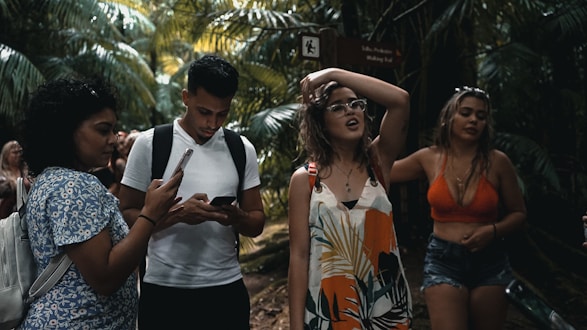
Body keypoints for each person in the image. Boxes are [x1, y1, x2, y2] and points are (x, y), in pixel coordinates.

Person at [18, 78, 183, 329]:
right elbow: (105, 276)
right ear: (66, 130)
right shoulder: (74, 187)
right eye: (103, 130)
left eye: (114, 131)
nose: (114, 140)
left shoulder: (52, 179)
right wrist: (150, 213)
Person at [118, 54, 265, 329]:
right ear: (186, 98)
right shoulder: (151, 144)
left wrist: (235, 216)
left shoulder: (241, 148)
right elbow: (125, 215)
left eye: (222, 113)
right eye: (204, 112)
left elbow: (256, 221)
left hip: (226, 289)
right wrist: (177, 214)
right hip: (164, 291)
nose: (213, 123)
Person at [389, 86, 527, 330]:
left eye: (481, 116)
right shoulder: (429, 158)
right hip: (444, 260)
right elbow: (382, 171)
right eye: (466, 113)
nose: (473, 119)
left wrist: (492, 231)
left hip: (491, 261)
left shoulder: (497, 161)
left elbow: (519, 214)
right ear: (449, 117)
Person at [288, 67, 413, 329]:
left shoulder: (378, 162)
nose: (350, 110)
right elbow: (299, 257)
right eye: (337, 107)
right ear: (320, 121)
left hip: (385, 312)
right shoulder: (306, 180)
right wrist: (296, 325)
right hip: (330, 313)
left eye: (355, 104)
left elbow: (400, 101)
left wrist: (334, 74)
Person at [0, 140, 30, 219]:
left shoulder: (25, 173)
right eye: (15, 153)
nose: (18, 155)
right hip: (5, 218)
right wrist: (12, 185)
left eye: (19, 152)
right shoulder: (2, 174)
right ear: (6, 155)